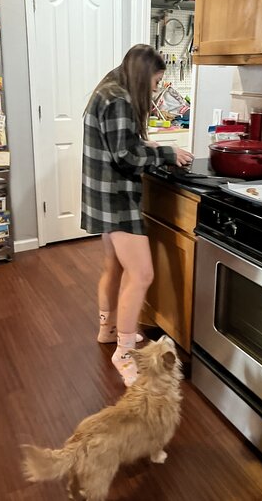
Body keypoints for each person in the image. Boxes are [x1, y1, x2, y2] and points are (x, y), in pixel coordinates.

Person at [81, 44, 193, 386]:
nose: (156, 89)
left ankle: (108, 330)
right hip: (117, 198)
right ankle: (125, 352)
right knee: (142, 274)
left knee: (114, 267)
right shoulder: (119, 99)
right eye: (156, 81)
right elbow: (126, 157)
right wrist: (166, 153)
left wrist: (151, 147)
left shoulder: (109, 87)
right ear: (144, 76)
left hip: (102, 192)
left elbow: (121, 145)